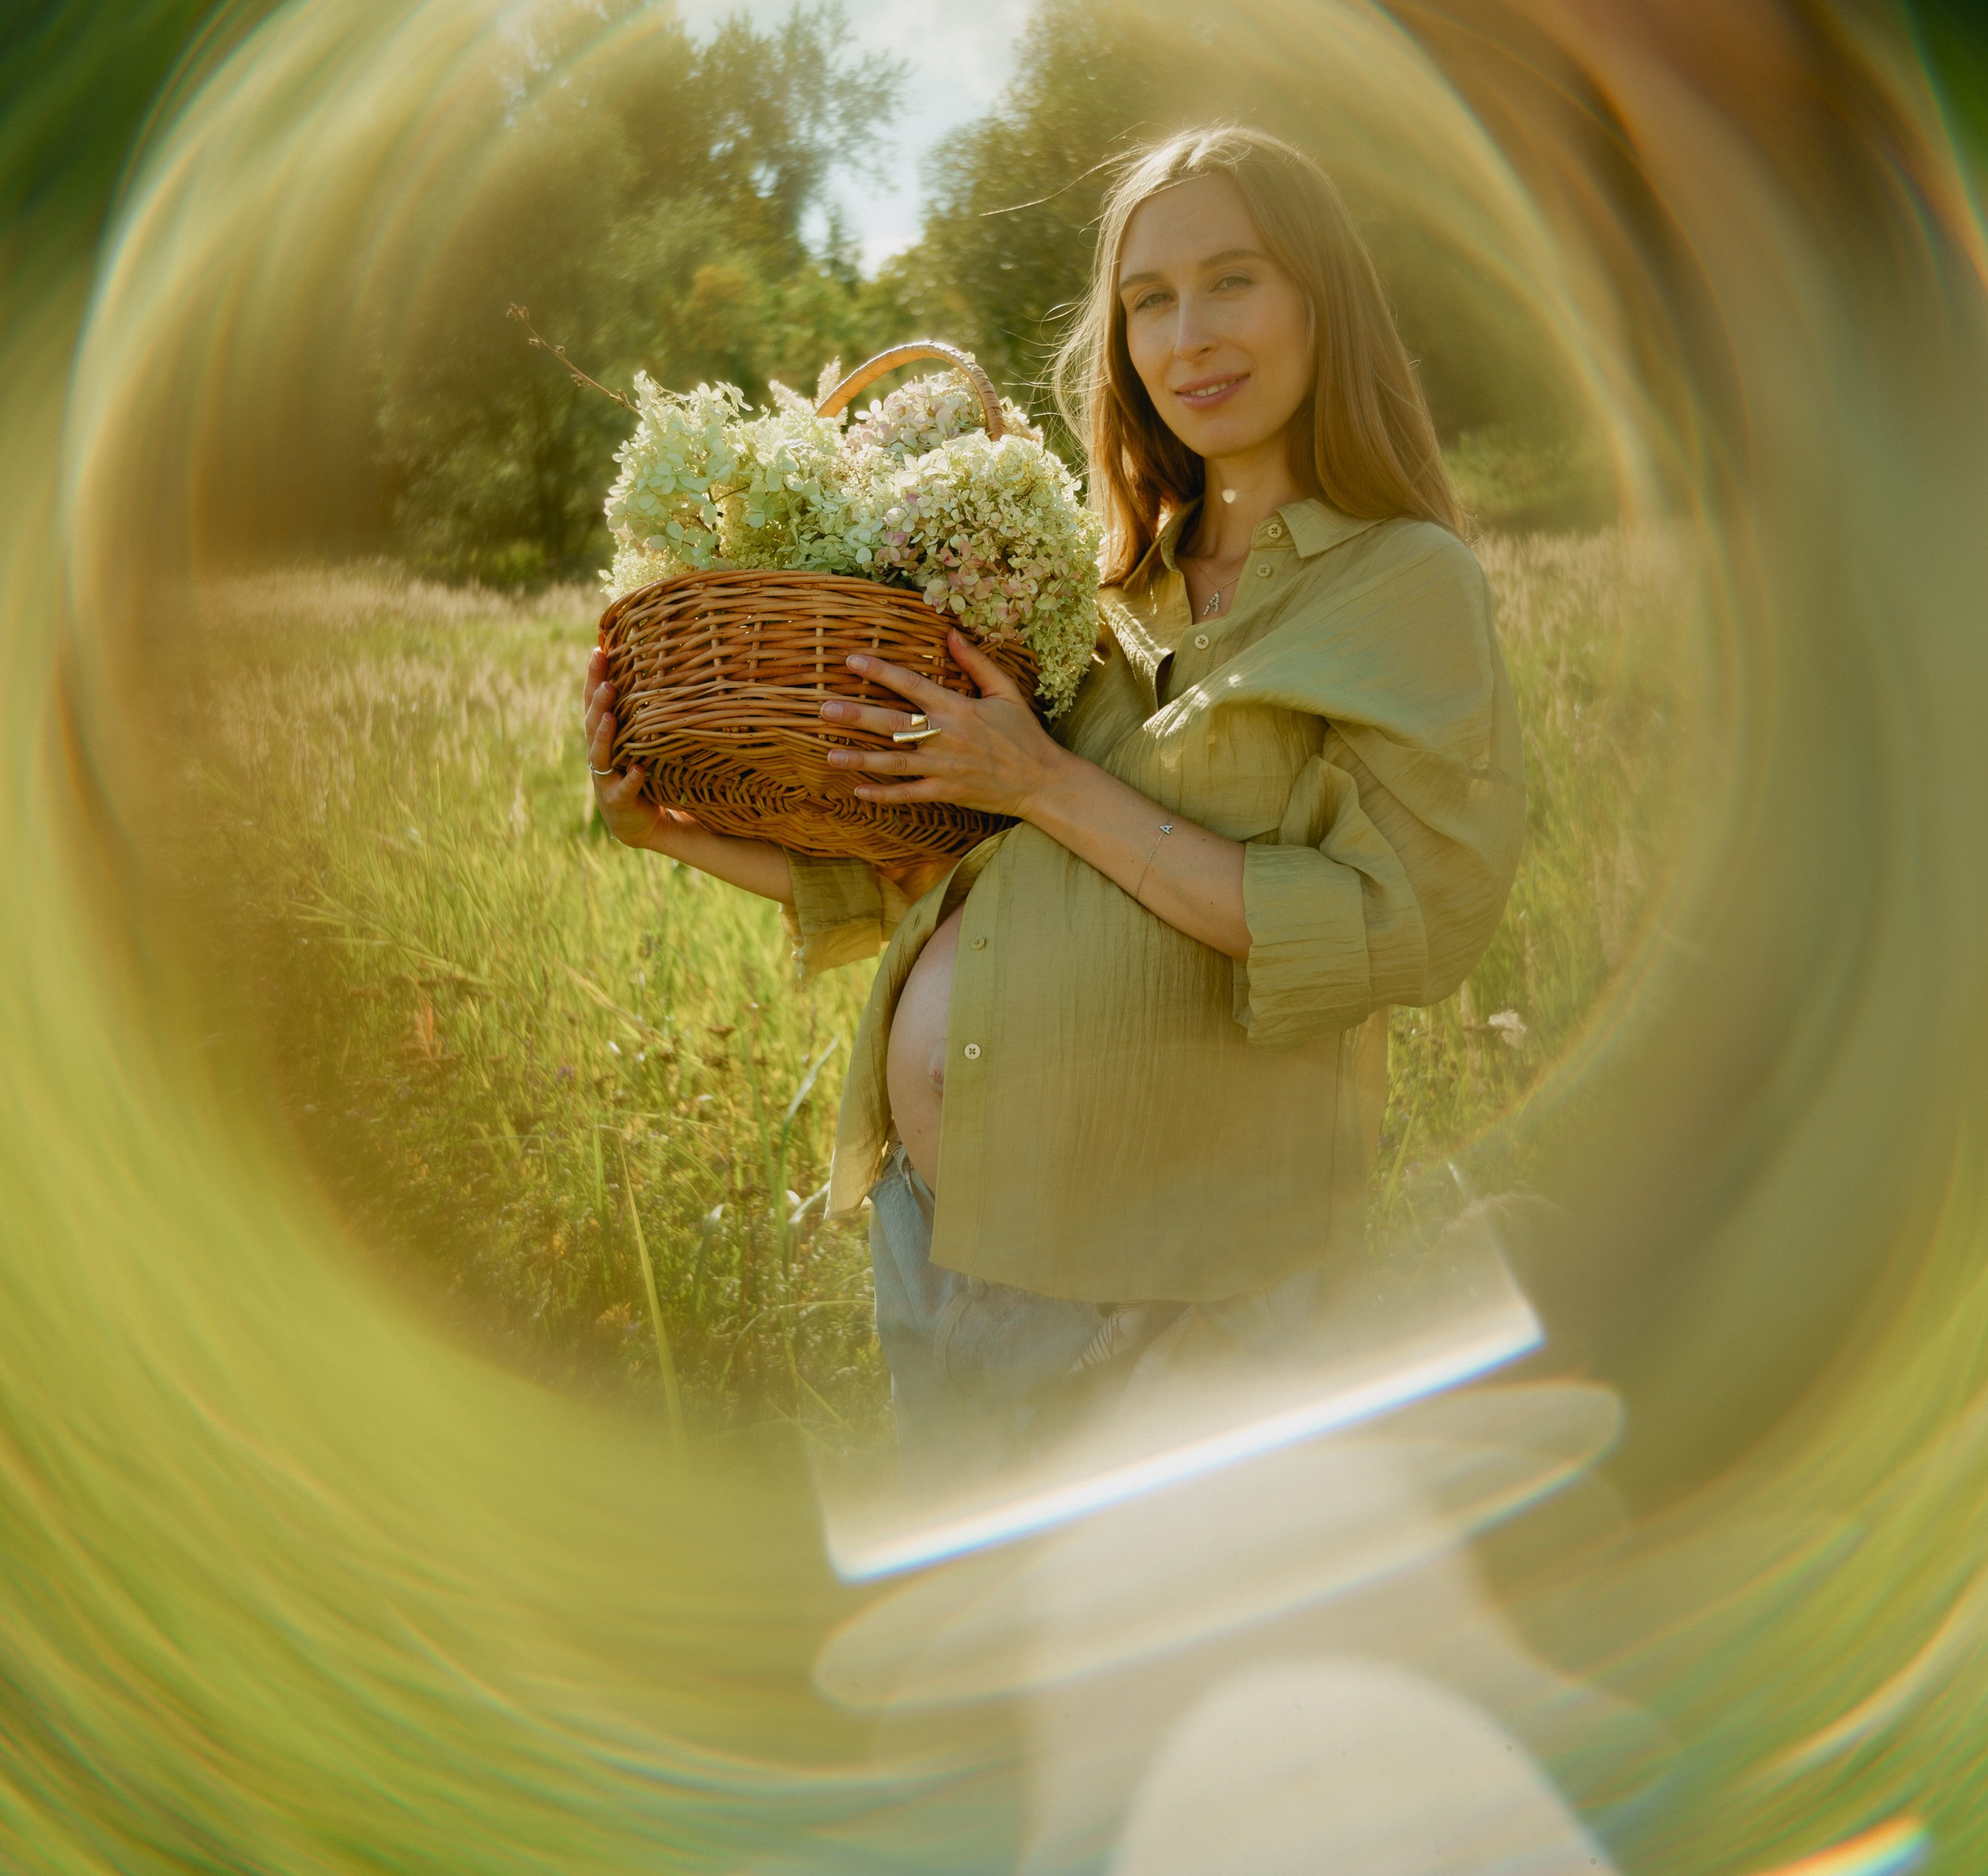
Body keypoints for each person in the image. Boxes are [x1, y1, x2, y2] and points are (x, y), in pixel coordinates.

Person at [582, 127, 1525, 1469]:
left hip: (1166, 1272)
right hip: (949, 1232)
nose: (1187, 333)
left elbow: (1396, 925)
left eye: (1234, 280)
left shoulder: (1402, 584)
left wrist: (1048, 780)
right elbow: (928, 871)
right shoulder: (1093, 590)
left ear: (1324, 301)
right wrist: (660, 827)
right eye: (1149, 300)